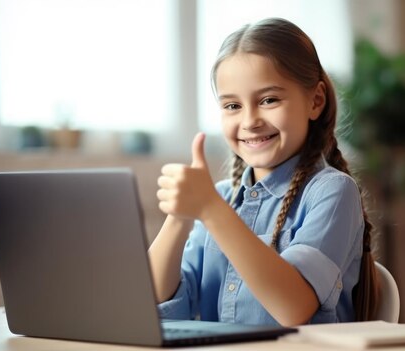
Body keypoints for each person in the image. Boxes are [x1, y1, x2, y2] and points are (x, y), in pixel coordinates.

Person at [148, 17, 379, 327]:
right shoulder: (220, 197)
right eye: (232, 106)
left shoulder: (332, 191)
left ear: (316, 100)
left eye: (269, 100)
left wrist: (211, 210)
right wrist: (179, 217)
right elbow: (155, 302)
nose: (250, 120)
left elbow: (293, 307)